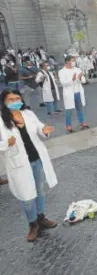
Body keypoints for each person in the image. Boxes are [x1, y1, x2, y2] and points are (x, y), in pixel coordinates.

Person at [0, 89, 58, 242]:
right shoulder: (1, 120)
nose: (15, 101)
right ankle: (32, 224)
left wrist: (44, 131)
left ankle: (41, 218)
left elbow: (39, 128)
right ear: (4, 101)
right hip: (19, 164)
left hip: (36, 159)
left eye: (17, 98)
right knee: (26, 197)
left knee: (39, 191)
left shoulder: (28, 114)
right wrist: (6, 144)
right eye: (11, 99)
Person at [58, 55, 89, 133]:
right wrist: (72, 79)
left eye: (74, 60)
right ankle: (68, 126)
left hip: (78, 92)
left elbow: (84, 81)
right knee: (69, 110)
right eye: (72, 60)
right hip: (69, 94)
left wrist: (80, 77)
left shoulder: (77, 69)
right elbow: (63, 83)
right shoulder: (62, 71)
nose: (73, 62)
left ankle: (82, 123)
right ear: (67, 61)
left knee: (79, 109)